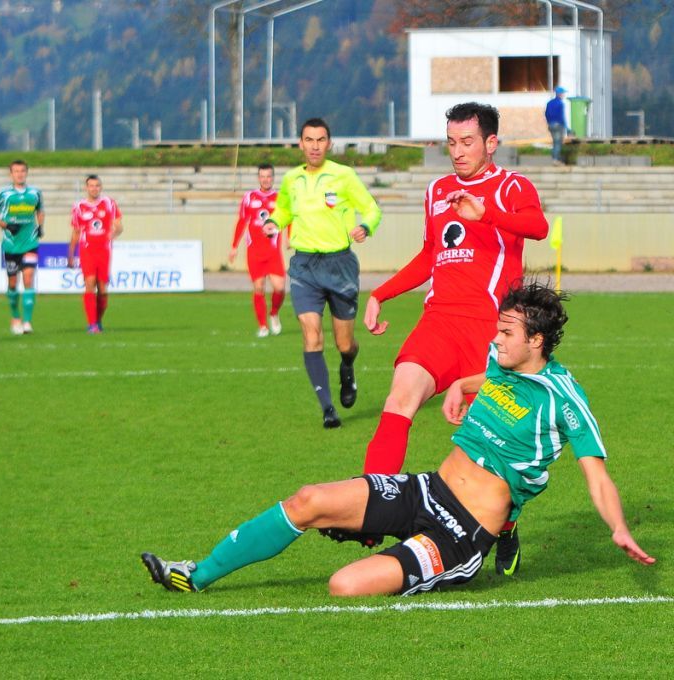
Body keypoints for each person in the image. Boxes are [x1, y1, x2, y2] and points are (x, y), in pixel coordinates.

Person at [141, 283, 654, 597]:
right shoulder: (501, 361)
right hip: (428, 489)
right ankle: (195, 575)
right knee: (308, 500)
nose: (494, 339)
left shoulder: (565, 399)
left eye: (505, 333)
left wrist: (618, 528)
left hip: (461, 534)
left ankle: (499, 530)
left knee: (344, 585)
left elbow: (597, 474)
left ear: (536, 341)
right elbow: (492, 379)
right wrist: (460, 384)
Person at [361, 102, 549, 571]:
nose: (458, 151)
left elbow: (538, 227)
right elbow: (430, 254)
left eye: (467, 142)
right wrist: (382, 293)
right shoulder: (437, 191)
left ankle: (506, 526)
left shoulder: (511, 187)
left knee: (492, 447)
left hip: (491, 330)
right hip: (439, 322)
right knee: (400, 398)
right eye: (451, 142)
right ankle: (371, 509)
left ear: (491, 143)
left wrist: (487, 214)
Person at [262, 118, 382, 429]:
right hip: (304, 266)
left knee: (345, 343)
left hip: (339, 265)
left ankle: (347, 366)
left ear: (328, 143)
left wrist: (366, 226)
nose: (314, 146)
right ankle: (328, 408)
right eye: (309, 140)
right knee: (311, 335)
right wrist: (274, 222)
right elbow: (283, 209)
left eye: (320, 140)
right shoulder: (292, 179)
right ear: (300, 144)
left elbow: (372, 208)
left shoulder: (344, 176)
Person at [0, 159, 45, 335]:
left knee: (28, 278)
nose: (20, 174)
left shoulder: (35, 193)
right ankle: (15, 316)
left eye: (22, 171)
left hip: (30, 242)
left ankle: (27, 322)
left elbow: (40, 210)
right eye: (16, 171)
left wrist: (40, 226)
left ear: (27, 173)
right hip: (11, 245)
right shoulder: (4, 194)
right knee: (12, 283)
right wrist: (5, 225)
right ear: (11, 174)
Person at [228, 164, 287, 338]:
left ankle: (274, 313)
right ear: (258, 178)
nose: (265, 179)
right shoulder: (249, 197)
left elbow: (289, 218)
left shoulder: (280, 198)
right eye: (262, 176)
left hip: (273, 252)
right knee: (259, 288)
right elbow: (242, 221)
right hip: (254, 252)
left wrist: (290, 237)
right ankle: (263, 326)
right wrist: (234, 246)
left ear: (273, 177)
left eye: (268, 176)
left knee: (280, 288)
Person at [68, 175, 123, 334]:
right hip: (87, 249)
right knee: (90, 283)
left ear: (101, 187)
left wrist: (113, 233)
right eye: (91, 185)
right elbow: (76, 231)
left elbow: (119, 226)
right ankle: (92, 324)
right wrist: (70, 254)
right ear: (86, 188)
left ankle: (97, 320)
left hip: (104, 250)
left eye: (97, 185)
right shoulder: (79, 206)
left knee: (103, 289)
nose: (94, 188)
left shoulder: (109, 203)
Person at [545, 87, 568, 165]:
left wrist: (549, 122)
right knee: (558, 143)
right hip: (558, 125)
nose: (564, 95)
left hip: (551, 125)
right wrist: (566, 127)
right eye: (563, 93)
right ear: (559, 94)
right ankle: (556, 160)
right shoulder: (560, 103)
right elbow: (562, 116)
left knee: (555, 142)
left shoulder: (549, 103)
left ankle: (555, 159)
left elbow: (546, 114)